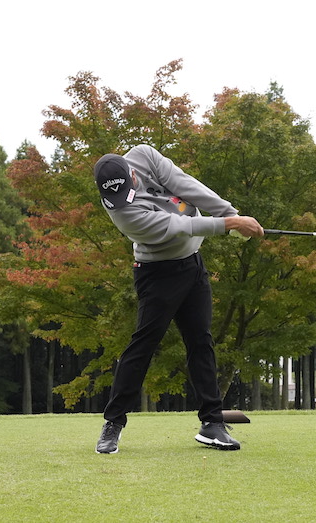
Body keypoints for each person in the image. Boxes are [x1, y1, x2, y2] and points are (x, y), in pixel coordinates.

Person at [92, 144, 264, 454]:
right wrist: (229, 225)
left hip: (192, 265)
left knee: (201, 341)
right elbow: (179, 226)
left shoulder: (143, 156)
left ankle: (212, 423)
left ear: (131, 172)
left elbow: (185, 184)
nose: (121, 200)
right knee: (143, 345)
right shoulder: (122, 211)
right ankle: (113, 423)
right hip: (156, 273)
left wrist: (229, 212)